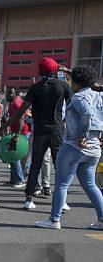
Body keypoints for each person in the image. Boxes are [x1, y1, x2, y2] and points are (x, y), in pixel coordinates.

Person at [35, 65, 103, 230]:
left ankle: (54, 220)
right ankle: (102, 220)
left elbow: (86, 114)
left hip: (74, 145)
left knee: (62, 184)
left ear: (77, 82)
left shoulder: (78, 97)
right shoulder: (99, 96)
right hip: (94, 148)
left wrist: (82, 136)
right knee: (90, 185)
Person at [1, 57, 72, 210]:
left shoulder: (35, 88)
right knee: (59, 166)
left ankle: (28, 199)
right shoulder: (63, 86)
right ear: (55, 71)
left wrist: (2, 127)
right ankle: (62, 200)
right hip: (57, 131)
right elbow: (72, 105)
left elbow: (20, 112)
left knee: (35, 165)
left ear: (40, 71)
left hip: (40, 132)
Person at [5, 88, 28, 188]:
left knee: (15, 156)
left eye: (10, 93)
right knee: (11, 155)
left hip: (21, 133)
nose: (8, 95)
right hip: (16, 132)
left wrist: (17, 134)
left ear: (15, 94)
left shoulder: (16, 103)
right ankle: (13, 179)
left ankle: (20, 180)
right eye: (7, 93)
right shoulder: (12, 103)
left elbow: (21, 118)